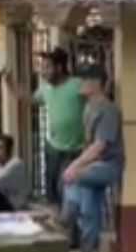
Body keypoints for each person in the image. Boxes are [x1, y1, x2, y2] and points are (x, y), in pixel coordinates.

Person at [62, 64, 124, 252]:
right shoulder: (88, 107)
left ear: (96, 84)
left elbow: (99, 146)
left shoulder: (108, 110)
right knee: (89, 211)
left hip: (108, 166)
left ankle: (67, 216)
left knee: (73, 177)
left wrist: (75, 166)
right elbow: (88, 146)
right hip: (93, 167)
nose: (80, 84)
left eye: (84, 80)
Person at [6, 47, 83, 209]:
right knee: (52, 190)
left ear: (59, 67)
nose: (43, 72)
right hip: (53, 147)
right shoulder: (45, 89)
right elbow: (29, 99)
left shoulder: (77, 85)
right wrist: (10, 83)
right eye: (42, 68)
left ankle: (69, 217)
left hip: (76, 149)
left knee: (68, 188)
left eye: (47, 67)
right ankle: (56, 216)